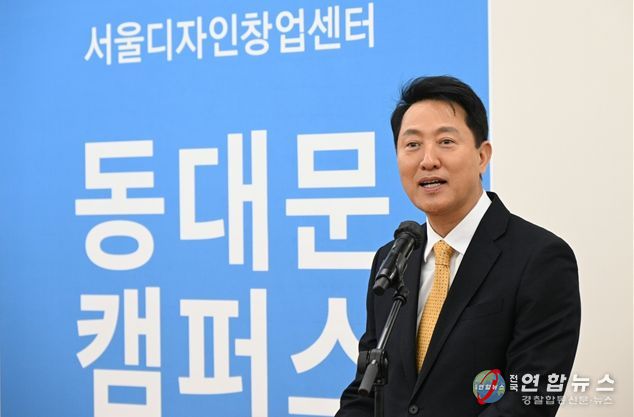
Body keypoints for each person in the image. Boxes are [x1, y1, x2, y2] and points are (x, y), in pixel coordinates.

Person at [336, 76, 581, 417]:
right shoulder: (391, 260)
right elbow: (367, 388)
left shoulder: (540, 259)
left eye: (446, 141)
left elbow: (528, 400)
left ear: (482, 156)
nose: (428, 160)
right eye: (412, 145)